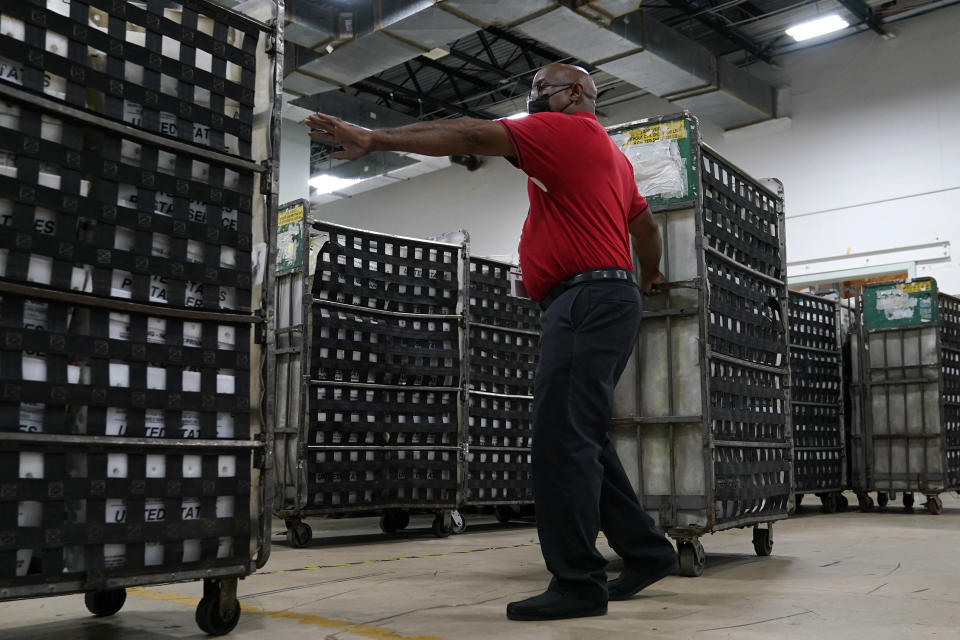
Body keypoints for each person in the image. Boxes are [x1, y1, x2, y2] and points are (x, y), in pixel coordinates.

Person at [306, 63, 678, 622]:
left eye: (539, 93)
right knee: (583, 437)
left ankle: (578, 582)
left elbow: (472, 134)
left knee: (561, 444)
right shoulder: (613, 158)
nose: (531, 104)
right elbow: (643, 228)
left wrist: (376, 137)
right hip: (604, 299)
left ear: (576, 93)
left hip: (585, 302)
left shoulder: (567, 130)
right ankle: (647, 552)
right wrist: (647, 276)